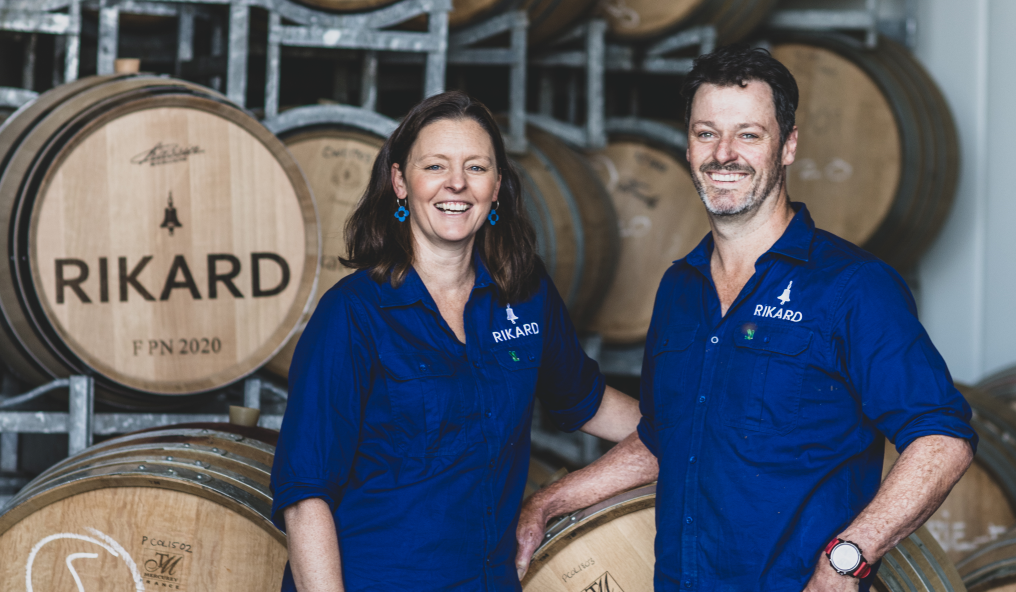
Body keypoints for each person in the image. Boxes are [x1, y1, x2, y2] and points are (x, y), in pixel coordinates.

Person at [515, 45, 977, 592]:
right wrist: (552, 499)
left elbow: (942, 437)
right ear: (687, 145)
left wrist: (846, 560)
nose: (723, 153)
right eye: (706, 133)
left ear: (788, 146)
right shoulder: (679, 289)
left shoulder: (852, 286)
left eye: (749, 134)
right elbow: (669, 438)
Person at [269, 91, 641, 592]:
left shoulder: (525, 295)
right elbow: (305, 493)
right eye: (436, 166)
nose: (457, 184)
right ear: (400, 182)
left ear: (497, 186)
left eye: (476, 167)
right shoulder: (353, 313)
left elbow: (589, 404)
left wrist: (695, 428)